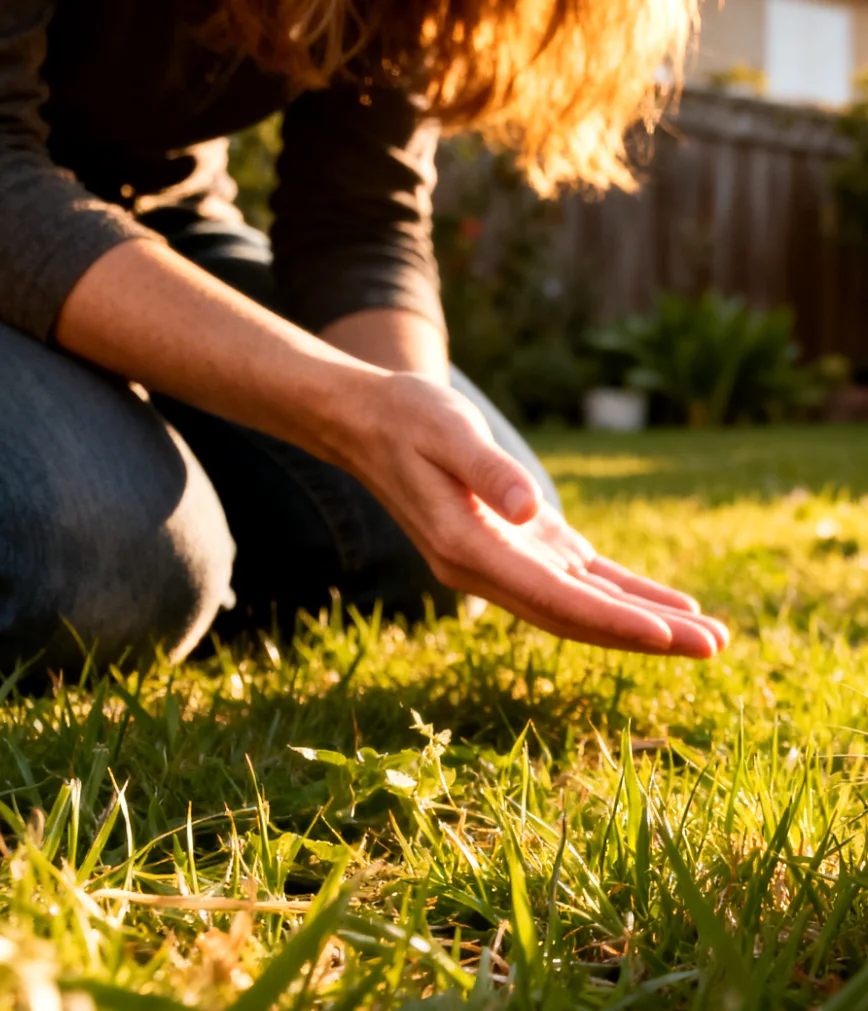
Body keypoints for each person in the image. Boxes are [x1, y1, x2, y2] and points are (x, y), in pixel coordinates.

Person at [0, 0, 729, 675]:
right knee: (116, 556)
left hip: (164, 220)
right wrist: (344, 406)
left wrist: (415, 425)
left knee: (434, 530)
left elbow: (357, 223)